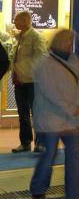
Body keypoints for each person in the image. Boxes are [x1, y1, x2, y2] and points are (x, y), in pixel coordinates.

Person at [30, 29, 79, 199]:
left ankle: (74, 195)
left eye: (71, 41)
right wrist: (71, 108)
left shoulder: (74, 60)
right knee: (49, 155)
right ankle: (38, 188)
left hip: (71, 117)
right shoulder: (44, 63)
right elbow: (50, 92)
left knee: (74, 157)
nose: (69, 44)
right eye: (66, 41)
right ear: (56, 42)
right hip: (51, 118)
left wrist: (78, 104)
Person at [10, 10, 48, 153]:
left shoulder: (36, 37)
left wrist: (21, 69)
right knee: (23, 114)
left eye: (16, 20)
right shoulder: (19, 37)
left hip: (33, 82)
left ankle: (41, 144)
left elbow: (41, 58)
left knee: (37, 113)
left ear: (25, 21)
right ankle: (25, 143)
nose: (14, 22)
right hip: (19, 82)